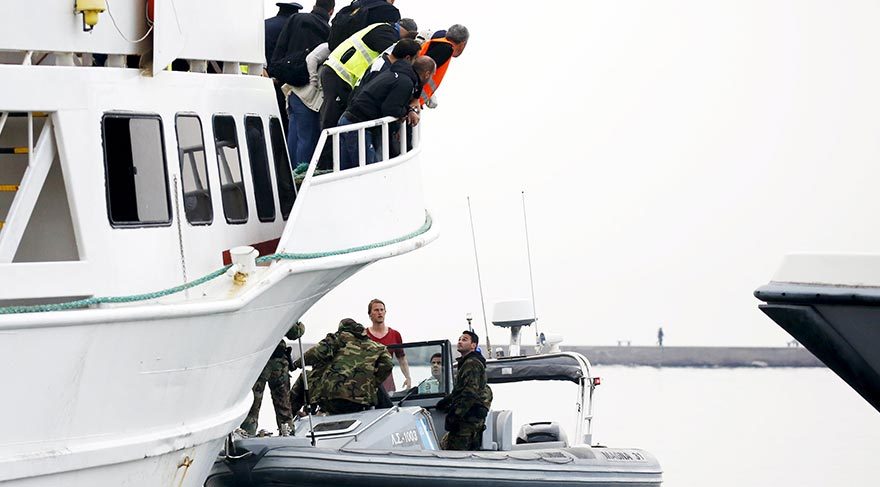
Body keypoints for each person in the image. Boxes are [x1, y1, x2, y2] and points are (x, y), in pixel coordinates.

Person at [338, 55, 435, 167]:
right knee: (369, 171)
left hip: (348, 121)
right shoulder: (405, 82)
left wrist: (409, 110)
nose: (431, 79)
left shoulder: (396, 74)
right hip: (357, 126)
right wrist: (406, 112)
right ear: (427, 74)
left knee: (347, 170)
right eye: (432, 75)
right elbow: (391, 109)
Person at [270, 0, 335, 165]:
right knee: (307, 137)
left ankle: (289, 179)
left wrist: (277, 69)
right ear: (331, 11)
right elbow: (314, 59)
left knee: (293, 135)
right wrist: (313, 82)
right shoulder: (328, 32)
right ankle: (300, 177)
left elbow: (281, 46)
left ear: (315, 5)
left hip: (290, 87)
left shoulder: (295, 19)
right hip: (307, 92)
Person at [293, 318, 392, 415]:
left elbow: (316, 352)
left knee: (304, 376)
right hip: (359, 402)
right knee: (371, 379)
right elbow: (387, 364)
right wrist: (372, 383)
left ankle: (287, 421)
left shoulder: (338, 338)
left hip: (330, 400)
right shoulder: (378, 347)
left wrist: (296, 364)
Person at [240, 322, 305, 436]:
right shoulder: (283, 311)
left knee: (253, 402)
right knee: (283, 403)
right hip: (277, 363)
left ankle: (247, 432)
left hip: (258, 362)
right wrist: (300, 327)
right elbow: (295, 333)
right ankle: (287, 431)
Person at [436, 330, 493, 451]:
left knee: (458, 454)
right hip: (468, 420)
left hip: (468, 422)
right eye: (459, 339)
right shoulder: (466, 363)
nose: (460, 341)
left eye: (465, 339)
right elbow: (460, 390)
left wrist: (455, 416)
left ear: (474, 345)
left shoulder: (472, 364)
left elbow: (469, 394)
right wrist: (447, 401)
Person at [264, 2, 305, 131]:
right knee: (285, 122)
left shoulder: (265, 24)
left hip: (264, 76)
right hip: (283, 81)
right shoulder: (295, 28)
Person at [364, 298, 413, 392]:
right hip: (369, 381)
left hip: (387, 380)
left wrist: (408, 377)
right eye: (376, 310)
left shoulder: (395, 334)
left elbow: (401, 358)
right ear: (370, 314)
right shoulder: (364, 335)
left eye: (382, 310)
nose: (380, 313)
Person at [417, 24, 470, 108]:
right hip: (411, 99)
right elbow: (420, 73)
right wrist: (415, 99)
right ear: (463, 44)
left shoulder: (440, 44)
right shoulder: (445, 49)